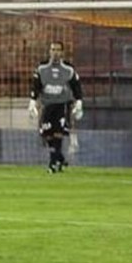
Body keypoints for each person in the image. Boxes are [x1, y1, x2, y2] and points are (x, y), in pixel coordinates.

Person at [28, 41, 84, 173]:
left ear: (62, 52)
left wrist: (79, 102)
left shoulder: (68, 69)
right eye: (53, 49)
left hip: (62, 105)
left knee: (58, 132)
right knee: (47, 134)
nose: (55, 52)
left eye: (58, 50)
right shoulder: (42, 68)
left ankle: (53, 163)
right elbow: (36, 86)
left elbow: (76, 86)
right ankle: (59, 157)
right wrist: (32, 102)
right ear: (49, 51)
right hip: (47, 105)